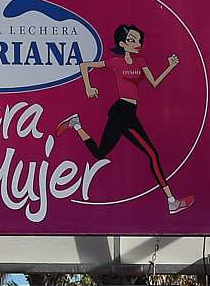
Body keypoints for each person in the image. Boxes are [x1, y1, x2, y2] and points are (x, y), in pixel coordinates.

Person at [54, 23, 191, 216]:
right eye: (132, 40)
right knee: (152, 154)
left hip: (127, 113)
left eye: (138, 40)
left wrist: (170, 66)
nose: (137, 43)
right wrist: (88, 87)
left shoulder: (141, 62)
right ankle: (171, 202)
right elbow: (85, 66)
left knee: (100, 153)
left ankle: (76, 124)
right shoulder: (116, 62)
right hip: (122, 112)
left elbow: (154, 83)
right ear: (122, 43)